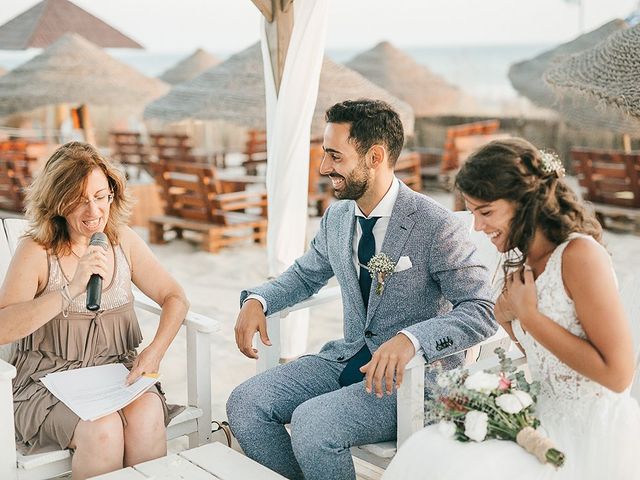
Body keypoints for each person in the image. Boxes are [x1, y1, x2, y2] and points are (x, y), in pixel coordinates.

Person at [226, 99, 497, 480]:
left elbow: (482, 309)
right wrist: (260, 299)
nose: (323, 168)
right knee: (245, 403)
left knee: (312, 423)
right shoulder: (337, 216)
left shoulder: (436, 226)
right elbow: (305, 275)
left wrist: (411, 340)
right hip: (347, 357)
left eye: (335, 156)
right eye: (324, 154)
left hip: (411, 380)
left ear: (374, 156)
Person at [384, 138, 640, 480]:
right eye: (472, 212)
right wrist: (507, 322)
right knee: (425, 450)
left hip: (587, 433)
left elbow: (618, 376)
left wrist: (529, 317)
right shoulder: (517, 258)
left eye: (486, 212)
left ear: (525, 202)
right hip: (538, 414)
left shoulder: (580, 256)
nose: (476, 227)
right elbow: (544, 356)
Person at [2, 142, 189, 480]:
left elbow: (175, 296)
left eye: (101, 196)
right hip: (47, 384)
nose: (94, 210)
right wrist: (71, 289)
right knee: (103, 430)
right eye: (79, 199)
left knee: (147, 419)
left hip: (115, 375)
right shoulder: (36, 251)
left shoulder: (123, 241)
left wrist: (154, 352)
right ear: (57, 202)